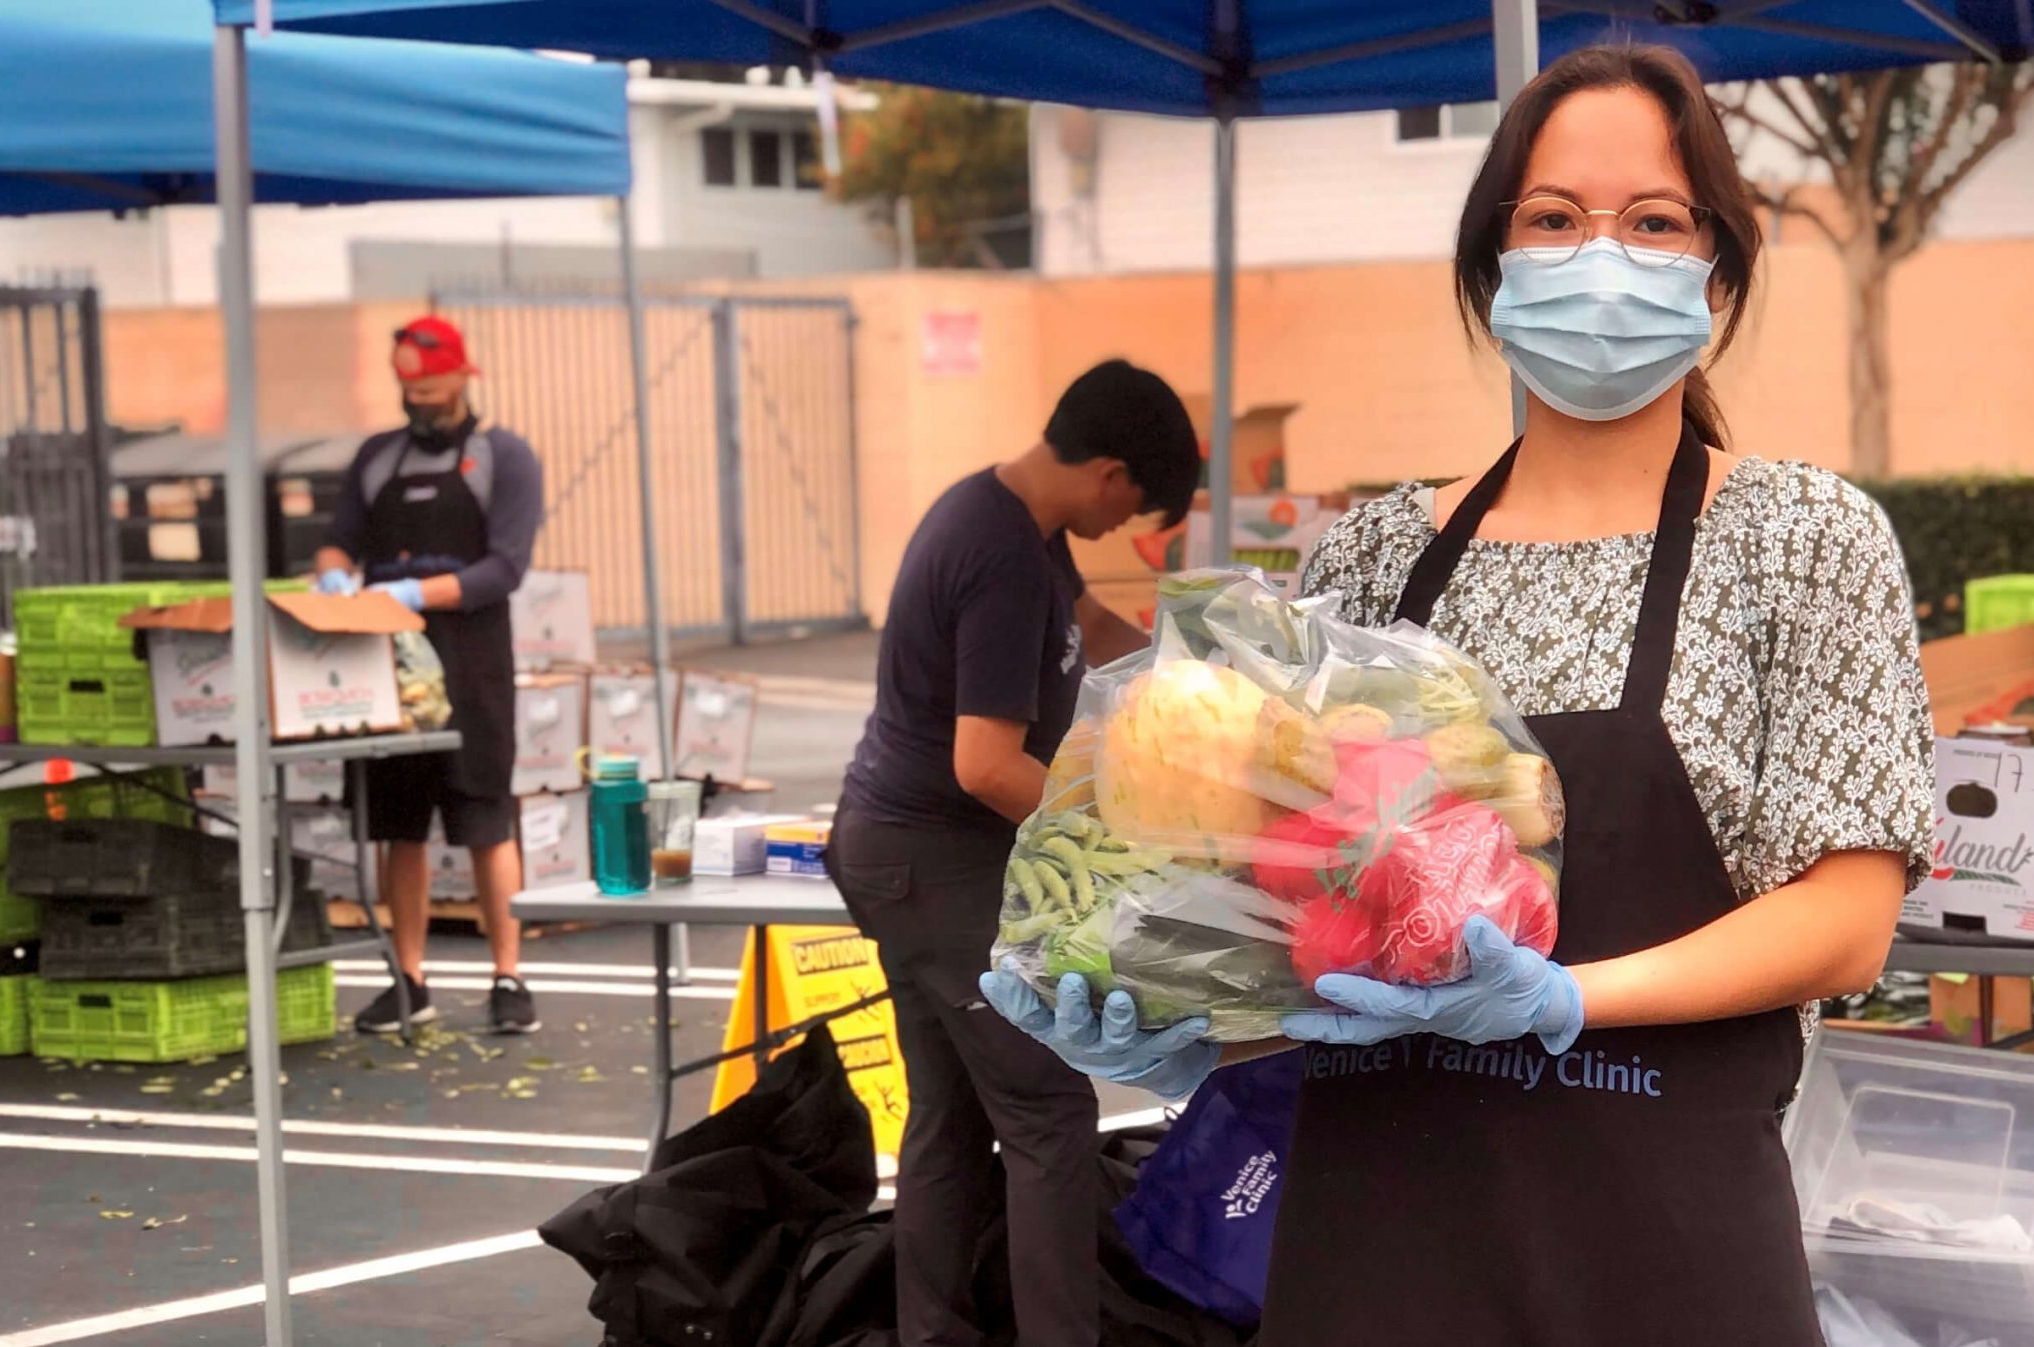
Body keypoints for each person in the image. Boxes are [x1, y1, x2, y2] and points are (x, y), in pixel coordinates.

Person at [981, 46, 1936, 1343]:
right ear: (1494, 271)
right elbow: (1299, 925)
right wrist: (1182, 1015)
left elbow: (1846, 919)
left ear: (1717, 270)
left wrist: (1568, 997)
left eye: (1653, 220)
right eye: (1553, 217)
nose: (1602, 251)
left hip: (1668, 1257)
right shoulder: (1371, 558)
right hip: (1383, 1250)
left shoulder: (1805, 538)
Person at [827, 359, 1199, 1347]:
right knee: (1046, 1108)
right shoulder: (993, 548)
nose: (1122, 528)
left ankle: (933, 1334)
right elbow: (985, 765)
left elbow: (1087, 628)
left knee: (950, 1112)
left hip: (905, 854)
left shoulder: (1019, 524)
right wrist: (1130, 839)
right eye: (1132, 509)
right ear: (1108, 472)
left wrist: (1195, 678)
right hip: (928, 858)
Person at [315, 316, 545, 1037]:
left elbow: (504, 567)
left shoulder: (503, 458)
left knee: (484, 818)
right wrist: (330, 576)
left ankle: (508, 974)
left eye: (432, 386)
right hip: (384, 666)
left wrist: (419, 592)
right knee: (398, 827)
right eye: (408, 388)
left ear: (463, 377)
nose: (420, 400)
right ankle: (408, 977)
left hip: (472, 664)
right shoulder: (377, 458)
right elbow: (337, 538)